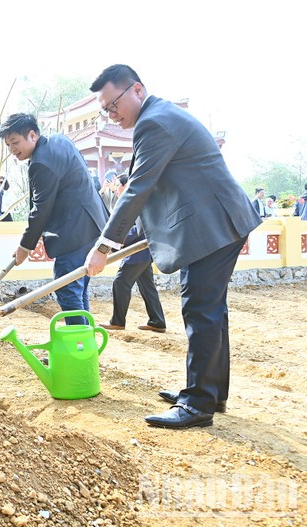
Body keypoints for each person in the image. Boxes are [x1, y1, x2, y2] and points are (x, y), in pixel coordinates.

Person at [86, 64, 261, 429]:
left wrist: (103, 245)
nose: (111, 114)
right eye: (104, 110)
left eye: (113, 104)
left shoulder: (155, 122)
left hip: (215, 226)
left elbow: (138, 187)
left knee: (200, 309)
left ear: (136, 89)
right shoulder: (160, 116)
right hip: (216, 222)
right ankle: (211, 392)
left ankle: (198, 405)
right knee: (211, 309)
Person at [0, 113, 108, 325]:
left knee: (67, 290)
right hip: (93, 224)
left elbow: (40, 210)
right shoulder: (60, 140)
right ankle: (85, 347)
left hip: (74, 232)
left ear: (32, 135)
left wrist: (25, 246)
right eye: (8, 145)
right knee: (77, 289)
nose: (12, 149)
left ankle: (79, 352)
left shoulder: (41, 163)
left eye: (15, 142)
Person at [99, 175, 166, 334]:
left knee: (120, 283)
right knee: (147, 287)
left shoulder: (138, 202)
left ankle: (118, 321)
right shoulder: (135, 201)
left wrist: (116, 244)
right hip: (142, 253)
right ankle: (157, 321)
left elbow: (137, 231)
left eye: (118, 186)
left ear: (126, 185)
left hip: (137, 252)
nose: (116, 190)